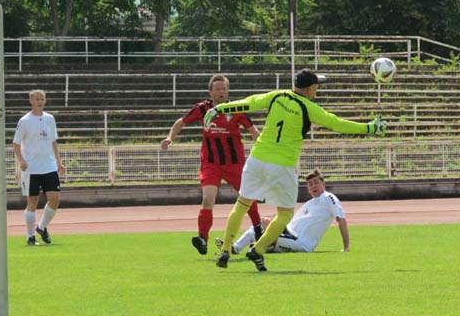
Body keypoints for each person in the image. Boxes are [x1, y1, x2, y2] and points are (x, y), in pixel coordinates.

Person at [204, 69, 386, 271]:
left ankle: (226, 250)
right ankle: (258, 249)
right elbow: (337, 124)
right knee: (285, 214)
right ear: (309, 89)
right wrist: (369, 128)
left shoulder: (277, 95)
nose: (317, 89)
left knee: (242, 204)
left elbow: (251, 102)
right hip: (282, 165)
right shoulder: (309, 107)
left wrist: (221, 109)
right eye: (316, 86)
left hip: (256, 159)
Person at [161, 74, 263, 255]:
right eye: (217, 89)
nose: (221, 92)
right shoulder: (203, 108)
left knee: (246, 197)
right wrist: (170, 137)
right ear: (211, 92)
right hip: (211, 163)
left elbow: (253, 130)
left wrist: (262, 148)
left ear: (227, 91)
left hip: (234, 163)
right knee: (208, 199)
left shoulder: (236, 108)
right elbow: (181, 122)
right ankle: (202, 238)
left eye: (224, 89)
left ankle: (257, 227)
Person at [215, 169, 350, 255]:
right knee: (264, 223)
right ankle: (237, 248)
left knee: (264, 224)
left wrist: (346, 247)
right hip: (290, 234)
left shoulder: (328, 198)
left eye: (316, 183)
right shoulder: (309, 203)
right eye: (310, 184)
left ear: (323, 184)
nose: (313, 186)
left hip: (301, 243)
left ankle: (254, 247)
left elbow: (341, 219)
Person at [13, 89, 65, 245]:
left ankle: (41, 227)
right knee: (32, 201)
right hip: (31, 168)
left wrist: (58, 161)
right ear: (31, 101)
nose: (40, 101)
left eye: (42, 98)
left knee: (55, 199)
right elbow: (15, 144)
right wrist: (21, 160)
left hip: (48, 165)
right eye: (37, 99)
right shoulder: (25, 121)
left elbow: (53, 141)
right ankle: (30, 236)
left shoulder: (50, 119)